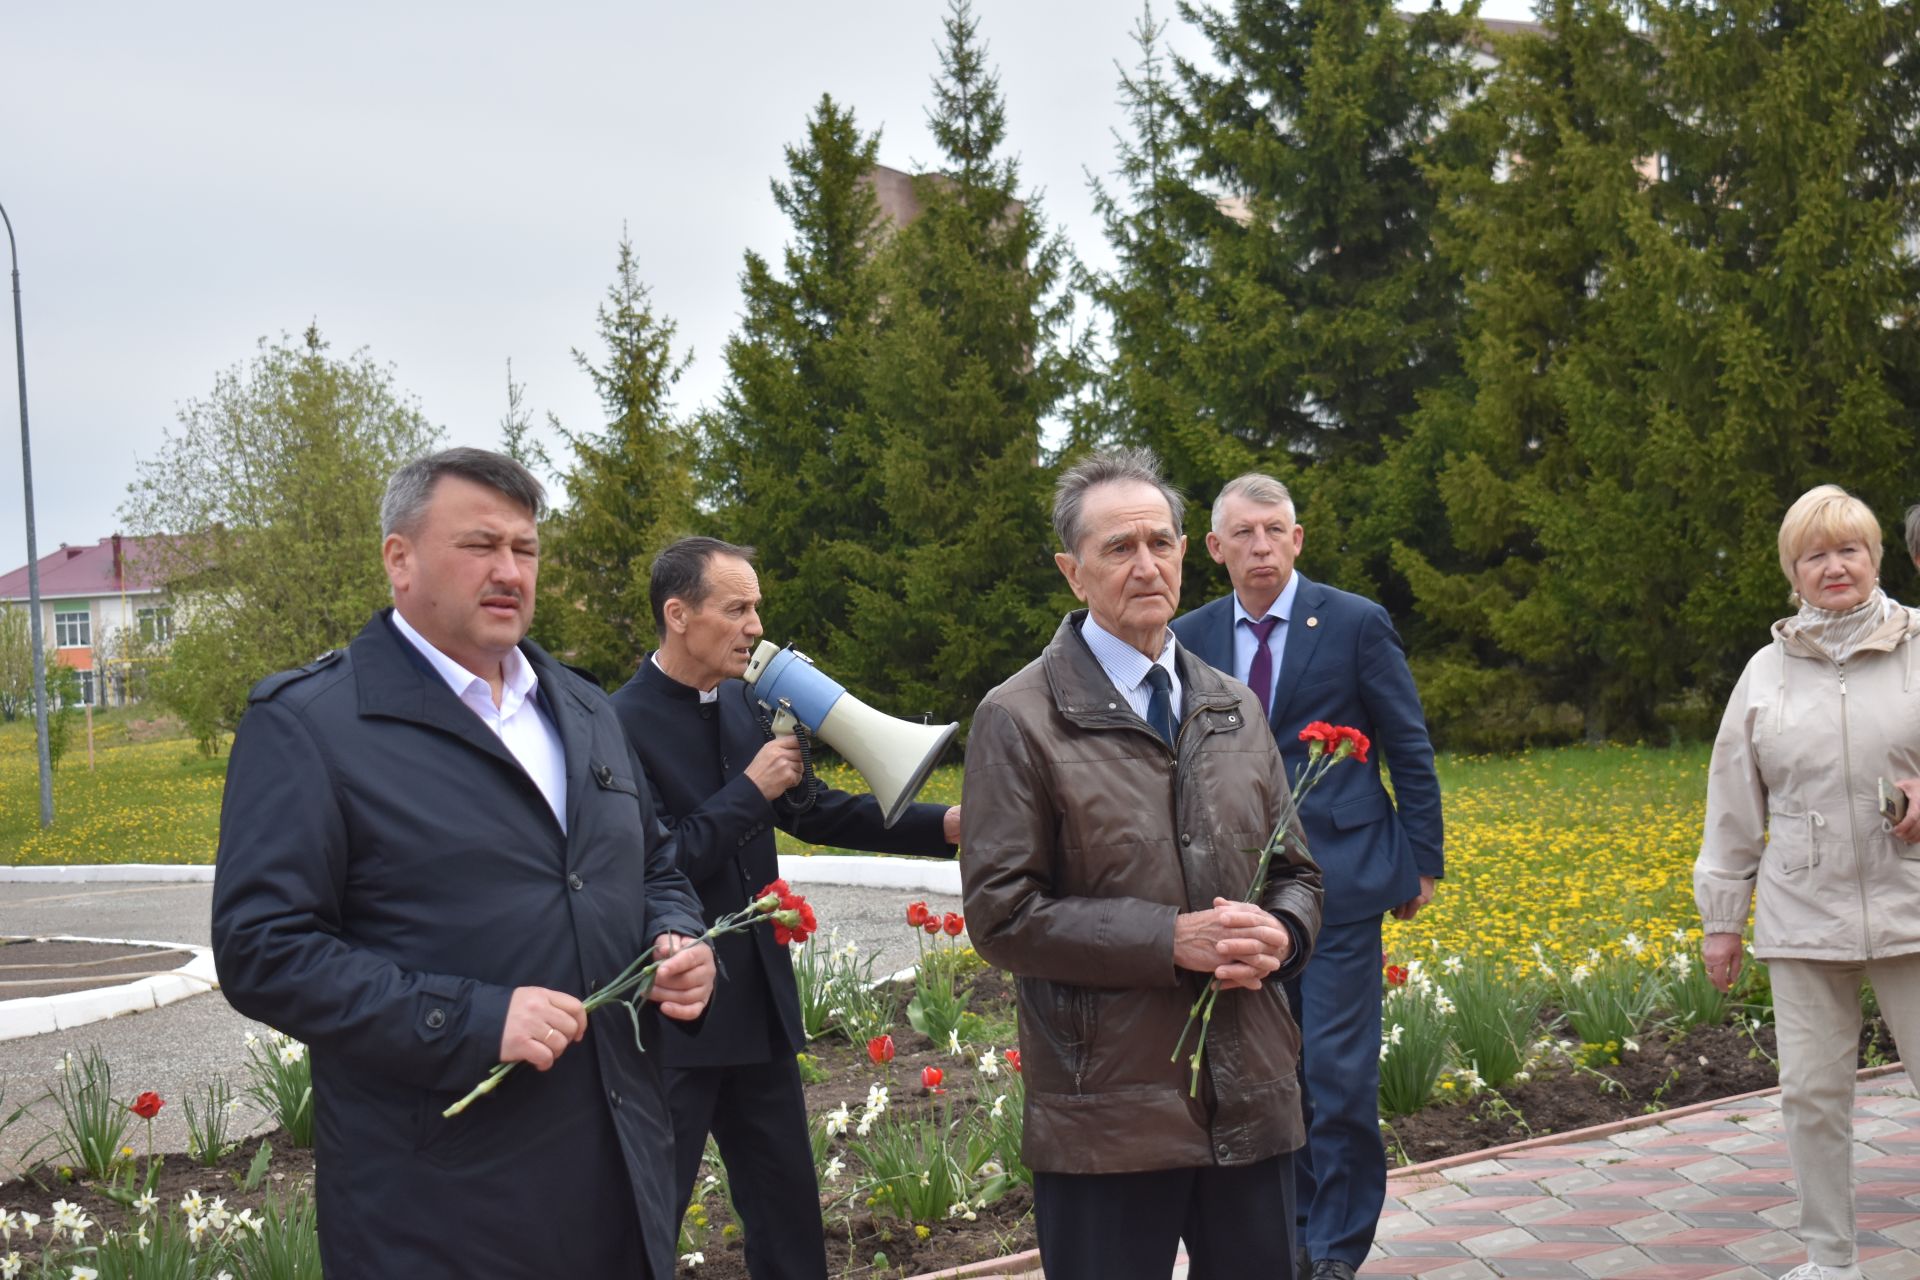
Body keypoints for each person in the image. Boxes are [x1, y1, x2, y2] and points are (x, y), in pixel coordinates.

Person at [211, 447, 716, 1279]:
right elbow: (265, 952)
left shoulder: (584, 708)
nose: (509, 571)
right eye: (480, 546)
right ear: (399, 559)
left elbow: (654, 862)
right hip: (438, 1206)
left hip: (617, 1179)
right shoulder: (312, 726)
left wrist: (675, 935)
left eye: (525, 550)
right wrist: (476, 1021)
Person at [960, 447, 1323, 1280]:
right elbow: (1003, 915)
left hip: (1251, 1098)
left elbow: (1297, 872)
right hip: (1108, 1119)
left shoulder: (1232, 705)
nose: (1146, 564)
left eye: (1160, 543)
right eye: (1119, 549)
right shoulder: (1018, 718)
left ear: (1188, 553)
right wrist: (1173, 940)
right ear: (1071, 572)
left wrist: (1282, 933)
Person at [608, 534, 959, 1280]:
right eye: (736, 609)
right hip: (674, 1017)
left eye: (756, 607)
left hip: (759, 1009)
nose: (755, 627)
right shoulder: (615, 727)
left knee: (789, 1215)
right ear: (678, 614)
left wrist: (946, 827)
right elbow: (648, 864)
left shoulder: (748, 701)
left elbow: (814, 809)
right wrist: (750, 792)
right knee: (647, 1215)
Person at [1170, 472, 1443, 1280]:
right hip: (1237, 888)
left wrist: (1422, 859)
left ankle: (1334, 1252)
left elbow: (1409, 743)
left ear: (1298, 539)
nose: (1262, 547)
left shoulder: (1356, 623)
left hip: (1346, 881)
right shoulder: (1189, 636)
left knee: (1336, 1075)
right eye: (1244, 534)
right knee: (1262, 1075)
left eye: (1275, 530)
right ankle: (1285, 1242)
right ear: (1215, 550)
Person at [1696, 483, 1920, 1280]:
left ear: (1875, 558)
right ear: (1793, 572)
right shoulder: (1764, 673)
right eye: (1814, 555)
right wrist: (1723, 919)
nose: (1834, 567)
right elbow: (1733, 802)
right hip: (1802, 912)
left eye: (1848, 550)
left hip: (1913, 906)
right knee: (1813, 1098)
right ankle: (1831, 1261)